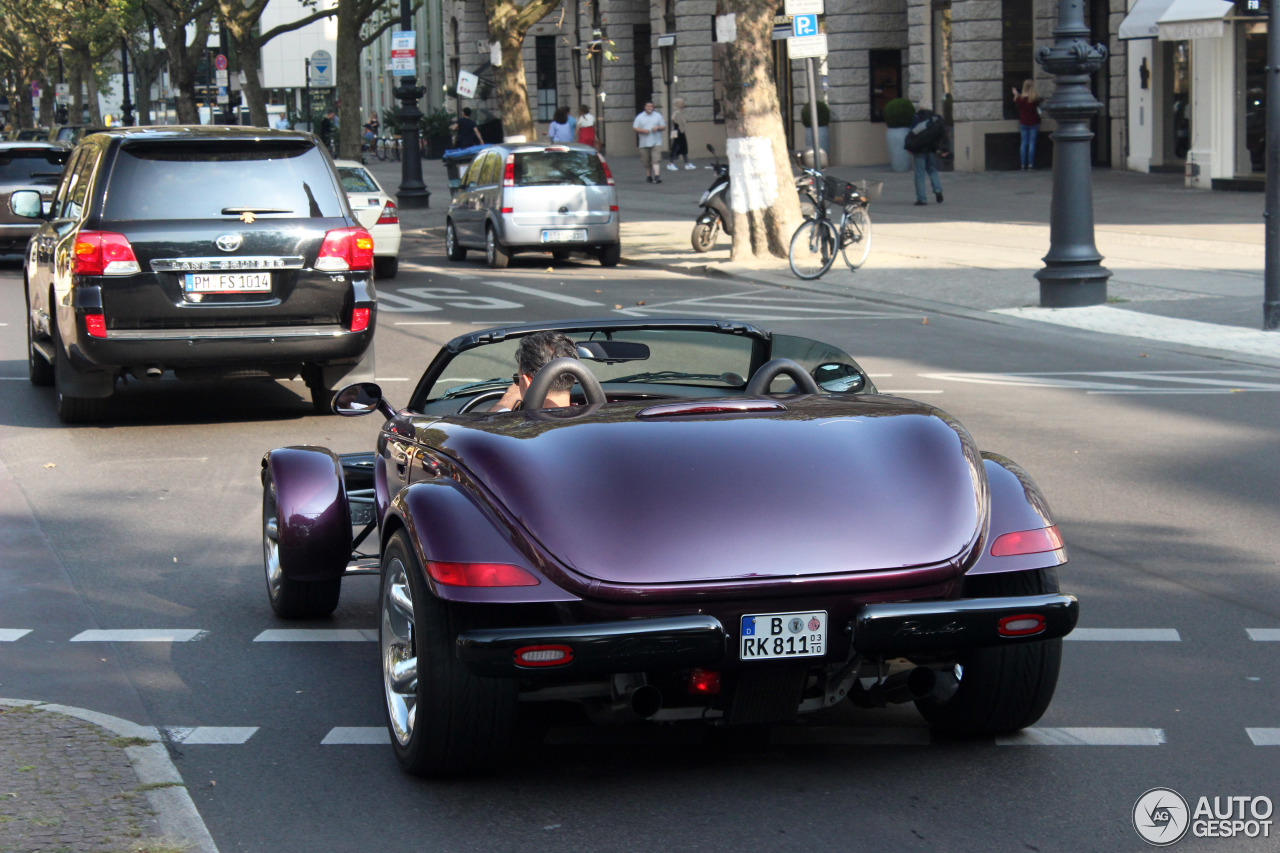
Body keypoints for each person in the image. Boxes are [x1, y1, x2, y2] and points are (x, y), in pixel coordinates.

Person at [489, 331, 581, 411]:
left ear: (528, 382)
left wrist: (508, 399)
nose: (517, 383)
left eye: (517, 379)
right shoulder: (589, 418)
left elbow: (489, 426)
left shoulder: (521, 427)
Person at [907, 106, 948, 206]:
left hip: (919, 149)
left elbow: (912, 133)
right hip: (932, 149)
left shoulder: (916, 118)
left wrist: (909, 146)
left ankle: (922, 199)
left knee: (920, 174)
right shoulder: (935, 118)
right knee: (932, 170)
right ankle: (938, 190)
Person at [633, 101, 666, 183]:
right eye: (648, 106)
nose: (649, 108)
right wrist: (642, 130)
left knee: (656, 159)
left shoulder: (658, 116)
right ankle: (648, 176)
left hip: (656, 141)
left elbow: (663, 126)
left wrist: (658, 127)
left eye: (651, 106)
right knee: (646, 161)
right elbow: (635, 128)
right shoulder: (640, 117)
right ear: (645, 107)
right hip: (644, 143)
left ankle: (657, 176)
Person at [1013, 80, 1042, 171]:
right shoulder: (1035, 98)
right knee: (1031, 144)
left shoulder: (1020, 98)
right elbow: (1040, 101)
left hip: (1023, 122)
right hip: (1034, 122)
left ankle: (1022, 165)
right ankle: (1030, 164)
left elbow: (1015, 101)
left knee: (1023, 143)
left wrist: (1016, 94)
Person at [666, 97, 694, 171]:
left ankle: (687, 163)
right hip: (678, 131)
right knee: (676, 147)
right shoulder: (677, 113)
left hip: (679, 131)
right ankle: (671, 163)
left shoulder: (679, 112)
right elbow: (675, 120)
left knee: (682, 147)